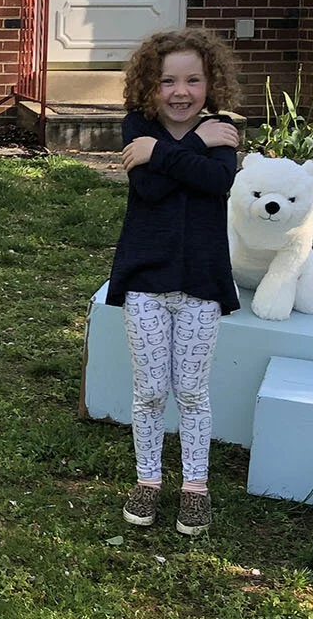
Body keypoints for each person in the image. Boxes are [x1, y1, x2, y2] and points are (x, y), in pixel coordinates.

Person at [105, 28, 244, 536]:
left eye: (193, 80)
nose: (180, 92)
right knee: (148, 392)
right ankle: (146, 480)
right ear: (150, 85)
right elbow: (148, 189)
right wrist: (185, 152)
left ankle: (195, 488)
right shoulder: (135, 126)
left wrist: (167, 151)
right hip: (145, 281)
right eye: (167, 81)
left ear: (211, 83)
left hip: (201, 285)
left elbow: (218, 181)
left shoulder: (223, 130)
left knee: (191, 392)